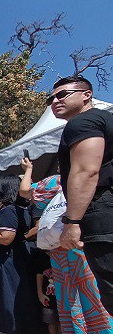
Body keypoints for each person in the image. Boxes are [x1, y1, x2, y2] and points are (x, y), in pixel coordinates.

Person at [20, 157, 113, 334]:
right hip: (85, 245)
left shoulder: (56, 182)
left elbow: (24, 190)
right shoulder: (97, 174)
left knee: (69, 302)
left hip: (59, 250)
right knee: (96, 298)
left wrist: (28, 169)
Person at [50, 75, 113, 315]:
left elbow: (87, 171)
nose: (55, 101)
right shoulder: (104, 120)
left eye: (62, 94)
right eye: (52, 98)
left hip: (102, 214)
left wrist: (72, 222)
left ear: (86, 94)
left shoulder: (82, 122)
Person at [0, 175, 37, 334]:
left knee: (7, 298)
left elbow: (6, 238)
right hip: (8, 259)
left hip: (6, 261)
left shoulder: (9, 211)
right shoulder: (16, 209)